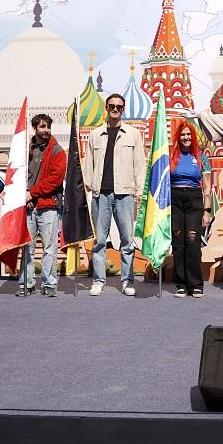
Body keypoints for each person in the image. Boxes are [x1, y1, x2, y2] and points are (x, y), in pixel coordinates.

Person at [82, 94, 145, 296]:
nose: (115, 109)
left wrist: (139, 192)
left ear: (123, 109)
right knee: (100, 240)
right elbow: (88, 164)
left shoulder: (133, 134)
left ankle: (127, 281)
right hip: (101, 194)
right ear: (106, 107)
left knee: (127, 240)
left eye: (119, 106)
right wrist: (89, 189)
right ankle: (98, 281)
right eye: (112, 106)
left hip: (125, 193)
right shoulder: (95, 134)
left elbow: (140, 165)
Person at [18, 115, 66, 297]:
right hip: (28, 206)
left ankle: (49, 284)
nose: (46, 130)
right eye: (43, 127)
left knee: (49, 248)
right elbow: (18, 174)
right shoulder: (24, 150)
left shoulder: (57, 151)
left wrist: (31, 193)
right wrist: (25, 194)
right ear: (34, 128)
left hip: (49, 206)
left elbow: (54, 180)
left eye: (48, 127)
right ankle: (26, 284)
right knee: (27, 248)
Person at [169, 120, 212, 298]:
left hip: (194, 200)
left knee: (193, 242)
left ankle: (196, 285)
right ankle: (181, 284)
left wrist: (207, 210)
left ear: (192, 137)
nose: (185, 137)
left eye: (188, 134)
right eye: (182, 134)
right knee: (178, 243)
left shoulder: (201, 158)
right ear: (178, 137)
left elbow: (207, 187)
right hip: (175, 199)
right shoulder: (170, 157)